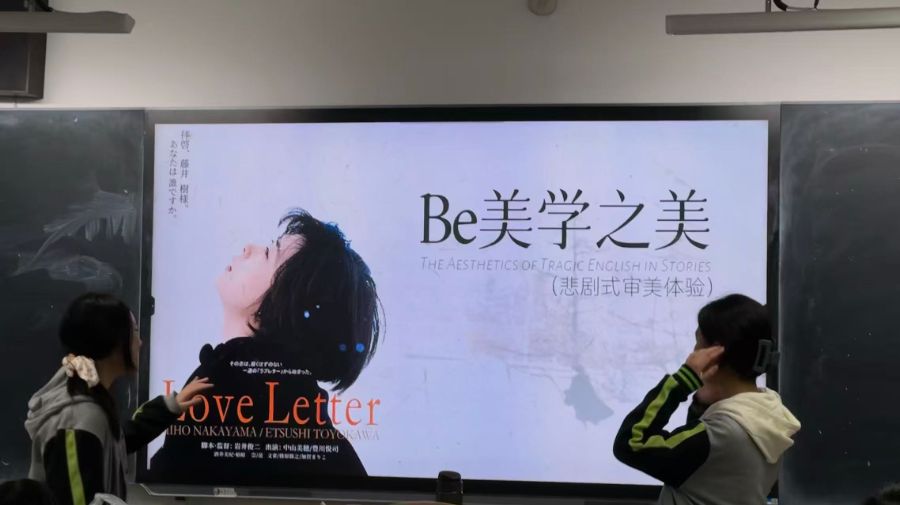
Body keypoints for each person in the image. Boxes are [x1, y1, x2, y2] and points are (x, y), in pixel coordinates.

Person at [150, 209, 382, 484]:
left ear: (288, 300)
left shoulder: (228, 383)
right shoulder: (296, 402)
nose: (248, 248)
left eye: (270, 253)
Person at [25, 293, 212, 505]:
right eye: (134, 332)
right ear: (112, 342)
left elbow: (119, 441)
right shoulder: (79, 418)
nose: (140, 342)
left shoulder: (89, 406)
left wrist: (170, 407)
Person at [613, 294, 801, 505]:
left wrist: (683, 381)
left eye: (698, 342)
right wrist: (701, 404)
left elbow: (632, 443)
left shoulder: (720, 433)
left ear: (715, 354)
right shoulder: (768, 415)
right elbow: (701, 471)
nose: (693, 351)